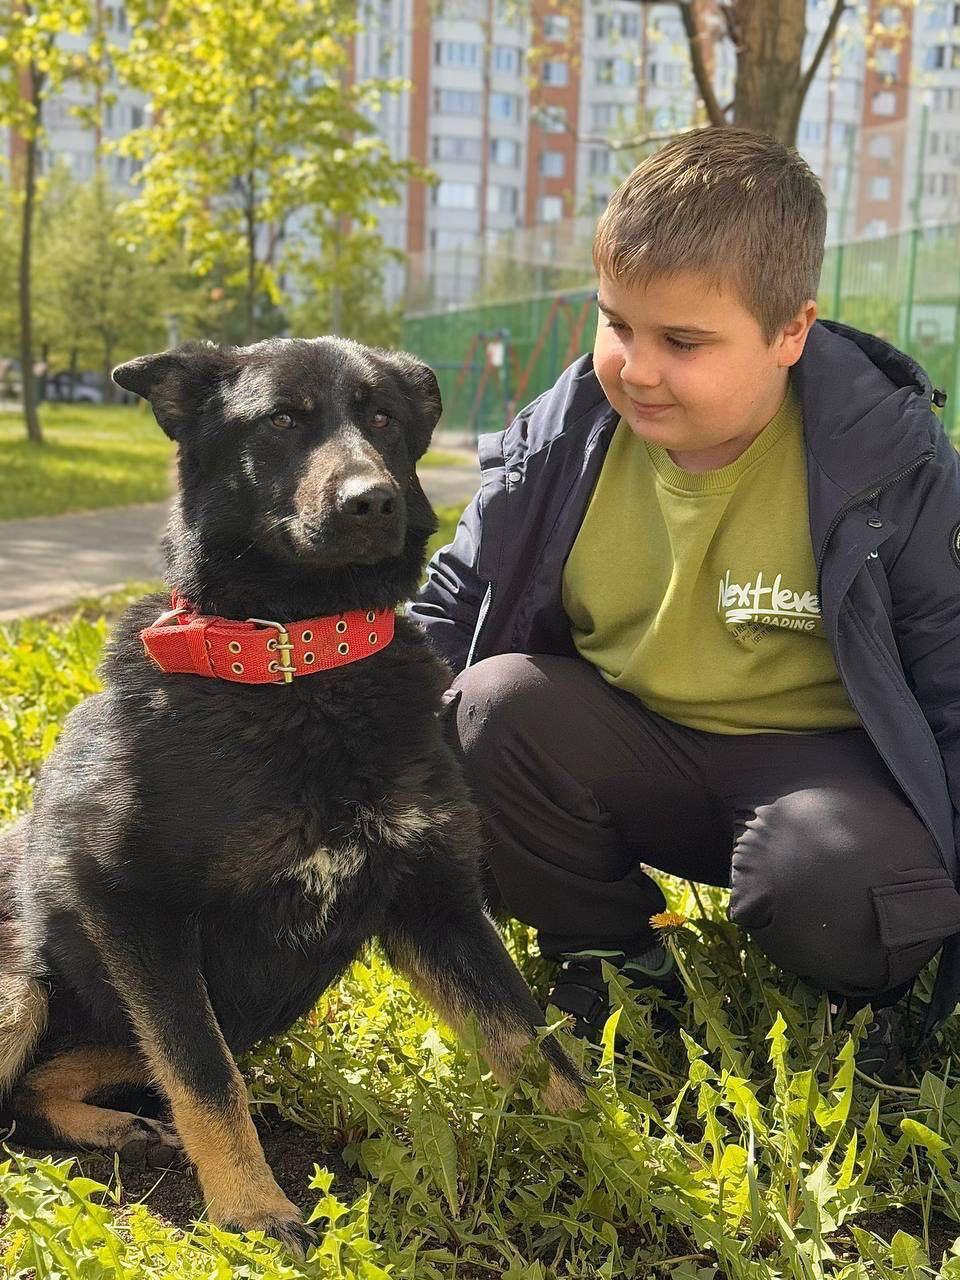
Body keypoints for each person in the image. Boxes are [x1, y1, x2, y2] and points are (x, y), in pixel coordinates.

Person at [408, 128, 960, 1079]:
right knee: (487, 703)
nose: (638, 367)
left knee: (848, 893)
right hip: (627, 747)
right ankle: (615, 958)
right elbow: (450, 611)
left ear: (792, 331)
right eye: (617, 324)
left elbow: (952, 681)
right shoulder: (564, 432)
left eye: (683, 341)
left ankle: (841, 973)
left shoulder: (888, 460)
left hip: (822, 775)